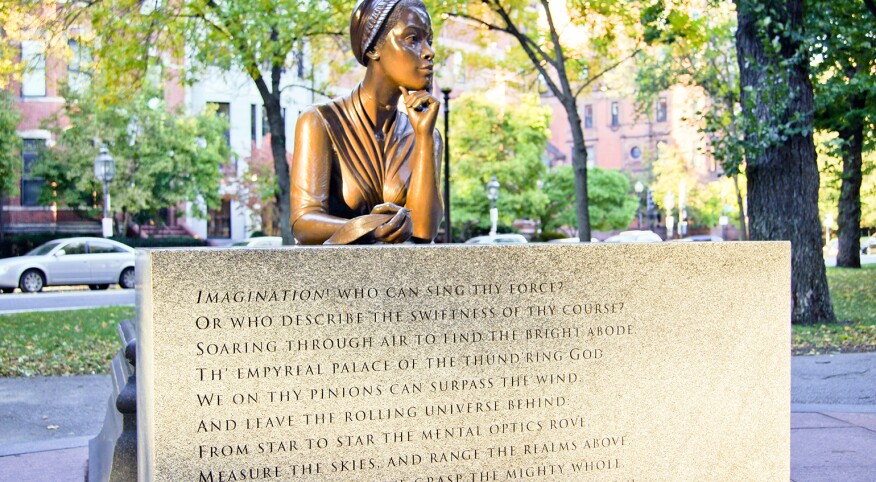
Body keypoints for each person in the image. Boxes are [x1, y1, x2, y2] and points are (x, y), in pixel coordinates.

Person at [290, 0, 443, 245]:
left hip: (401, 278)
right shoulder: (320, 121)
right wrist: (367, 227)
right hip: (334, 279)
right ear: (373, 48)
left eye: (429, 41)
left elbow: (424, 232)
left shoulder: (425, 134)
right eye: (413, 39)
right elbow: (303, 222)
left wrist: (423, 138)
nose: (429, 52)